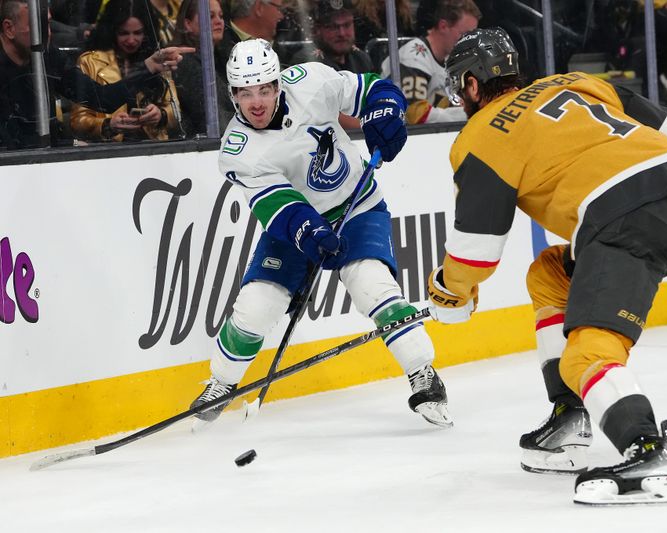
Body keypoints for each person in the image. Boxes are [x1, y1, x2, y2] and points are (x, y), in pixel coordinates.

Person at [427, 28, 667, 504]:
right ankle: (571, 415)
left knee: (588, 352)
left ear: (469, 84)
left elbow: (477, 250)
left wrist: (451, 289)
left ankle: (646, 453)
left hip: (624, 220)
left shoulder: (482, 136)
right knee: (548, 274)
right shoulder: (572, 83)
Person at [190, 38, 453, 429]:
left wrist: (386, 111)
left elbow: (372, 89)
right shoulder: (237, 150)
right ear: (232, 95)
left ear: (279, 84)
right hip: (295, 226)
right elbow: (278, 207)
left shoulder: (311, 81)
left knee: (372, 285)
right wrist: (309, 231)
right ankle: (220, 384)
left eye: (264, 89)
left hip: (357, 208)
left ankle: (423, 373)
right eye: (245, 93)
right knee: (256, 306)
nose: (257, 102)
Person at [0, 0, 193, 149]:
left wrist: (148, 66)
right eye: (38, 26)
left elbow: (100, 99)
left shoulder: (49, 55)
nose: (47, 33)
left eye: (49, 24)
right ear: (9, 29)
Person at [71, 0, 181, 142]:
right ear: (111, 31)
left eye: (137, 33)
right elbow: (77, 122)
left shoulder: (157, 59)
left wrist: (161, 115)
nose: (131, 40)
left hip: (153, 148)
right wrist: (108, 125)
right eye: (123, 33)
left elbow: (176, 111)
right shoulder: (89, 62)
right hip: (107, 154)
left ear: (146, 32)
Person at [380, 0, 480, 125]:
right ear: (443, 26)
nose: (468, 42)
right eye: (464, 34)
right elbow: (414, 114)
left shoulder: (452, 60)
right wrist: (465, 114)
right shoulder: (414, 57)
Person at [170, 0, 234, 137]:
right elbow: (210, 117)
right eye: (210, 16)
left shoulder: (222, 57)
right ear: (188, 24)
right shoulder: (183, 61)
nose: (219, 21)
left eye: (221, 16)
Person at [289, 0, 373, 74]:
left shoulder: (360, 59)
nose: (342, 33)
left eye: (347, 25)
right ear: (317, 29)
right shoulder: (306, 64)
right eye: (333, 27)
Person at [218, 0, 284, 64]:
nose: (281, 16)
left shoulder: (276, 47)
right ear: (259, 8)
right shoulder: (218, 47)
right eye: (278, 9)